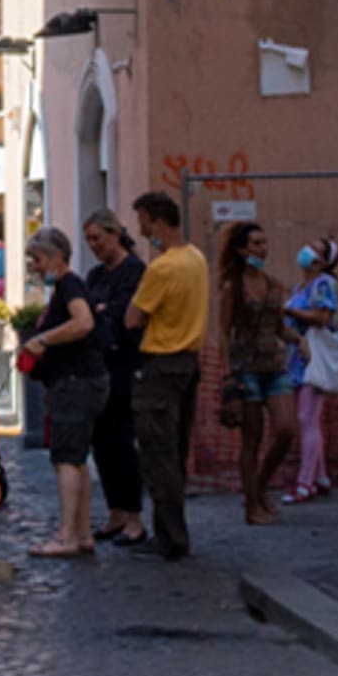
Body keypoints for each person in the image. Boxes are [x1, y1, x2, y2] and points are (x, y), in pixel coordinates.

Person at [122, 191, 209, 561]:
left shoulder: (163, 267)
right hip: (188, 362)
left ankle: (171, 537)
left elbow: (132, 318)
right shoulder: (197, 259)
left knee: (159, 456)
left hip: (160, 364)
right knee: (176, 448)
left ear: (157, 222)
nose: (141, 231)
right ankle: (172, 532)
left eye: (143, 223)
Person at [15, 228, 109, 557]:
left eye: (38, 260)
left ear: (56, 257)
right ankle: (81, 533)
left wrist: (43, 340)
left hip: (73, 382)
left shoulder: (69, 285)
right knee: (77, 459)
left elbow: (83, 323)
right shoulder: (69, 286)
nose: (35, 267)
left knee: (66, 459)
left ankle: (67, 535)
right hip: (83, 381)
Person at [78, 212, 150, 548]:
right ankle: (115, 512)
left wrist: (102, 311)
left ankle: (134, 516)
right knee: (102, 442)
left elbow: (122, 315)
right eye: (89, 240)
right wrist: (99, 311)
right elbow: (91, 312)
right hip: (99, 365)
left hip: (125, 364)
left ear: (115, 235)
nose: (93, 246)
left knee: (122, 441)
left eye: (98, 239)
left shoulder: (133, 271)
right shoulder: (94, 275)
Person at [214, 221, 293, 526]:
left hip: (274, 364)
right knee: (252, 437)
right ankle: (251, 504)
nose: (262, 249)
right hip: (245, 366)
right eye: (256, 244)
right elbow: (222, 331)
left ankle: (259, 485)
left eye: (264, 242)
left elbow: (279, 326)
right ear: (241, 249)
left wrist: (297, 339)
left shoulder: (275, 285)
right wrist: (226, 375)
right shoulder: (233, 287)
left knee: (287, 429)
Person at [283, 239, 338, 504]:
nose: (306, 249)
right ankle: (320, 477)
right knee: (309, 419)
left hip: (314, 358)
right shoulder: (300, 286)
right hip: (297, 359)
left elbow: (322, 318)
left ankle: (304, 482)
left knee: (306, 418)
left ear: (322, 261)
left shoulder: (325, 284)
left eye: (315, 248)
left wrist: (289, 310)